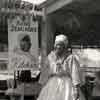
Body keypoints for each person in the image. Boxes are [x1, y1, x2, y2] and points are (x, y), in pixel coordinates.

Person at [38, 34, 84, 100]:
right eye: (57, 44)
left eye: (61, 45)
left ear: (65, 46)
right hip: (52, 84)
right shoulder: (50, 57)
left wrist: (76, 89)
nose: (58, 47)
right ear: (54, 45)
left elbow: (75, 73)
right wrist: (42, 84)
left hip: (67, 85)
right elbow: (45, 72)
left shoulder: (70, 58)